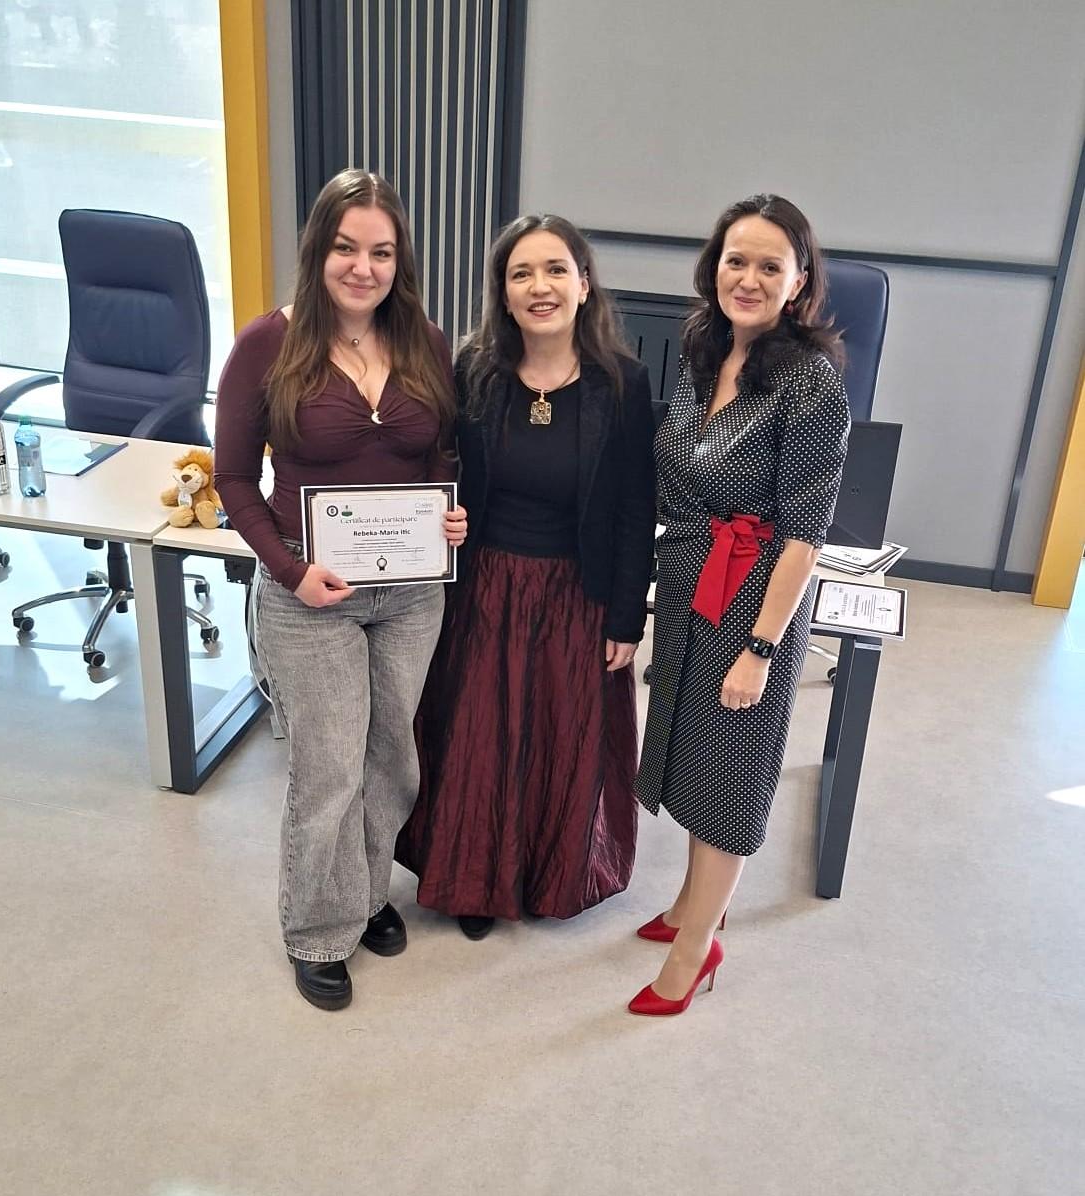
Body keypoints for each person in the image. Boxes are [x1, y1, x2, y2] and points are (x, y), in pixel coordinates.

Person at [214, 169, 467, 1011]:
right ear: (317, 249)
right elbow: (233, 480)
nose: (363, 267)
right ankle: (318, 931)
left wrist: (447, 513)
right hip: (307, 588)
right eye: (346, 248)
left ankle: (364, 894)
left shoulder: (426, 341)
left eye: (381, 252)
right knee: (328, 767)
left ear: (401, 260)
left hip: (409, 592)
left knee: (392, 756)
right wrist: (290, 571)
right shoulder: (268, 345)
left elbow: (438, 454)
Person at [396, 214, 657, 937]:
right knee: (478, 740)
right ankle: (473, 883)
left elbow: (636, 508)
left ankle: (544, 877)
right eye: (521, 274)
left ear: (584, 283)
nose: (539, 286)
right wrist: (441, 518)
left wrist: (626, 618)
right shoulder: (474, 371)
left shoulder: (622, 383)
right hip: (486, 586)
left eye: (554, 269)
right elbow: (440, 469)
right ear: (503, 293)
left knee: (558, 740)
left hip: (578, 592)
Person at [630, 194, 850, 1016]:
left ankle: (697, 950)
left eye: (769, 266)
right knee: (694, 755)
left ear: (799, 282)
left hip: (755, 599)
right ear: (713, 267)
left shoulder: (811, 383)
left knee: (728, 774)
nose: (748, 279)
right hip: (692, 582)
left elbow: (804, 536)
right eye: (736, 260)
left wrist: (760, 649)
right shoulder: (704, 351)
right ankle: (694, 905)